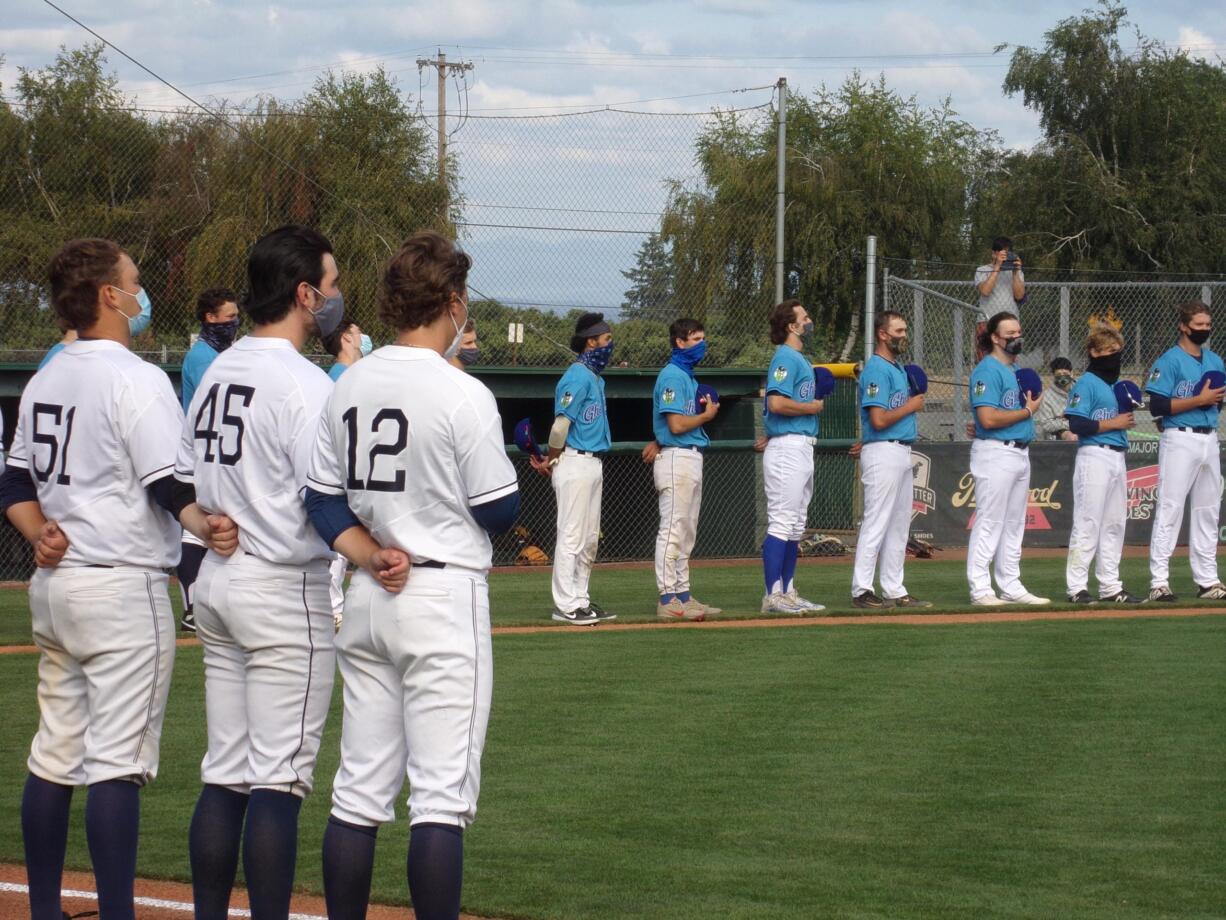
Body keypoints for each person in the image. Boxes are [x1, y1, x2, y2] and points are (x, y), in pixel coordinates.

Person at [0, 237, 236, 920]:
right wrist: (204, 521)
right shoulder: (133, 377)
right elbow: (168, 483)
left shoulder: (47, 374)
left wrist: (35, 530)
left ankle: (43, 910)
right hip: (122, 584)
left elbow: (14, 481)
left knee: (54, 753)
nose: (139, 295)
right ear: (108, 295)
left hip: (57, 585)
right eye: (132, 283)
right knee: (116, 763)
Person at [304, 230, 519, 920]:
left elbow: (321, 498)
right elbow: (500, 508)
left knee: (359, 790)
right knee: (439, 798)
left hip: (370, 588)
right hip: (441, 592)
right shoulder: (461, 392)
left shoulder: (350, 381)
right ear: (452, 302)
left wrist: (369, 552)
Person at [176, 225, 341, 920]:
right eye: (329, 286)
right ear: (304, 294)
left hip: (216, 579)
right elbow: (327, 497)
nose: (334, 297)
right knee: (277, 782)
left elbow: (184, 483)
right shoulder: (304, 384)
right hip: (279, 588)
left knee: (225, 773)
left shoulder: (218, 368)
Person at [530, 312, 618, 625]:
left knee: (589, 537)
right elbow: (559, 426)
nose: (610, 344)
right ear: (591, 342)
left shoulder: (594, 377)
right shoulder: (577, 376)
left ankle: (581, 599)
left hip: (592, 462)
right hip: (574, 460)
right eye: (606, 339)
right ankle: (566, 605)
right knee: (571, 537)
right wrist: (552, 458)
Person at [1144, 301, 1226, 602]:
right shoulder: (1169, 361)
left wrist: (1213, 400)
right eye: (1198, 324)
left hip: (1209, 437)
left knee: (1208, 510)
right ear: (1183, 325)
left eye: (1207, 324)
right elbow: (1157, 407)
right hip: (1179, 437)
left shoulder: (1215, 360)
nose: (1204, 329)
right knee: (1170, 508)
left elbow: (1217, 402)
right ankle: (1159, 582)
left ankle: (1207, 581)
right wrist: (1199, 399)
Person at [966, 311, 1049, 606]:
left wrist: (1024, 414)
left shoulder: (1014, 371)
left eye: (1018, 331)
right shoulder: (987, 370)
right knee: (989, 520)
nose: (1016, 337)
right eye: (1009, 333)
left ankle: (1010, 584)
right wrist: (1028, 411)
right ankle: (980, 589)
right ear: (995, 337)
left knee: (1014, 523)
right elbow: (987, 419)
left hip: (1018, 451)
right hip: (995, 451)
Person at [850, 311, 931, 609]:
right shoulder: (876, 369)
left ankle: (894, 589)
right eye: (898, 330)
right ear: (883, 334)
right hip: (883, 449)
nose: (903, 335)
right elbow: (879, 419)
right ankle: (861, 589)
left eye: (905, 329)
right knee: (877, 521)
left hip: (901, 450)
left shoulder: (897, 368)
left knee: (899, 525)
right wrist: (911, 405)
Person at [1063, 325, 1143, 604]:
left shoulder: (1115, 385)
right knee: (1088, 521)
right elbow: (1076, 423)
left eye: (1117, 351)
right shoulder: (1086, 382)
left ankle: (1110, 586)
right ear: (1093, 352)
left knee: (1114, 523)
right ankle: (1076, 588)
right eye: (1108, 351)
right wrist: (1114, 422)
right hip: (1094, 454)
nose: (1113, 356)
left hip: (1117, 455)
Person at [177, 287, 241, 633]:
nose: (235, 323)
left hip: (215, 446)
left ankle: (201, 604)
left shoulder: (218, 352)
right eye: (229, 317)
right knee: (198, 530)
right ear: (210, 319)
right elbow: (217, 404)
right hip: (205, 449)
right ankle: (190, 606)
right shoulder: (202, 356)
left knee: (213, 529)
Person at [649, 318, 722, 620]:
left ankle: (683, 595)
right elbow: (676, 425)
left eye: (703, 338)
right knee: (673, 530)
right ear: (679, 342)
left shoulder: (688, 377)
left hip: (689, 456)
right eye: (695, 339)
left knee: (686, 533)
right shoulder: (673, 376)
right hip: (677, 457)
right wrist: (707, 417)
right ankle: (667, 598)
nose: (701, 344)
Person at [761, 299, 825, 614]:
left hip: (800, 444)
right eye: (805, 316)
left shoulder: (799, 358)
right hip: (787, 445)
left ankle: (787, 590)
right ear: (792, 326)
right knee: (783, 521)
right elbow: (775, 403)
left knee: (796, 524)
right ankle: (772, 595)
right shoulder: (785, 357)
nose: (809, 321)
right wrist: (811, 407)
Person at [973, 237, 1026, 362]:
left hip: (1010, 323)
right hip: (987, 320)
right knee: (985, 357)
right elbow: (985, 291)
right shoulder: (983, 270)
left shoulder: (1016, 272)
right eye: (1002, 253)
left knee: (1010, 358)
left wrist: (1015, 272)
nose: (1004, 256)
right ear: (994, 253)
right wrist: (997, 267)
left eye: (1007, 253)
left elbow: (1019, 295)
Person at [1034, 356, 1077, 441]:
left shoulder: (1080, 390)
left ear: (1071, 373)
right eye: (1058, 375)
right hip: (1057, 434)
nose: (1062, 377)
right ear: (1053, 375)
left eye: (1065, 374)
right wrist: (1070, 423)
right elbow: (1046, 425)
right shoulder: (1046, 396)